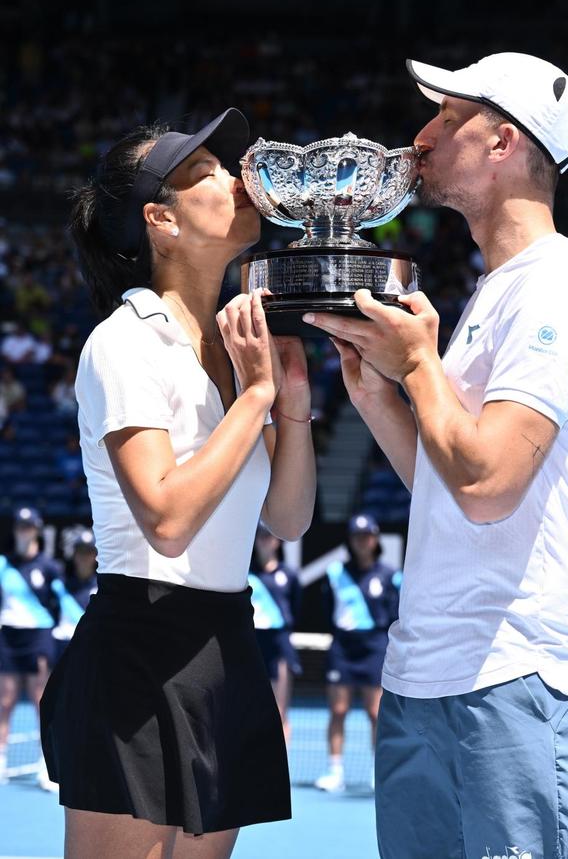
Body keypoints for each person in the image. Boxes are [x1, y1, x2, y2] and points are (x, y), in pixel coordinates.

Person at [304, 53, 568, 858]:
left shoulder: (556, 288)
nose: (422, 135)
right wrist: (379, 393)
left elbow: (486, 482)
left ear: (503, 142)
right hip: (433, 672)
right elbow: (446, 489)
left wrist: (417, 367)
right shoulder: (499, 288)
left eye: (449, 117)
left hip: (523, 673)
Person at [39, 110, 316, 859]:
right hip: (138, 646)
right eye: (209, 173)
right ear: (161, 219)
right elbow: (165, 516)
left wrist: (289, 400)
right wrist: (254, 399)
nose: (238, 179)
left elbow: (288, 517)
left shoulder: (237, 347)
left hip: (226, 639)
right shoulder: (124, 341)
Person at [315, 513, 400, 793]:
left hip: (375, 647)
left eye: (367, 536)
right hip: (343, 647)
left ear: (375, 539)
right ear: (350, 541)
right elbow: (326, 609)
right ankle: (335, 771)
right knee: (338, 710)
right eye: (357, 537)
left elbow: (394, 613)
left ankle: (378, 772)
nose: (362, 542)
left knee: (376, 713)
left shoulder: (389, 576)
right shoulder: (335, 573)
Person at [0, 506, 61, 791]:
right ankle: (0, 759)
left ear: (36, 531)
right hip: (9, 637)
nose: (23, 533)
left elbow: (62, 605)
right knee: (5, 700)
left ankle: (45, 767)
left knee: (41, 701)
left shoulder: (50, 567)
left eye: (28, 528)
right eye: (19, 528)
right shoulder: (3, 565)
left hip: (38, 637)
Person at [248, 521, 302, 743]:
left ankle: (281, 771)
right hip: (252, 644)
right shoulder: (246, 574)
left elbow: (296, 606)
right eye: (261, 536)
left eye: (269, 536)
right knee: (247, 710)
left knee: (280, 712)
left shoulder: (289, 575)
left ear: (278, 541)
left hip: (279, 646)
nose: (265, 541)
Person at [51, 528, 98, 661]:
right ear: (74, 555)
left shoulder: (102, 587)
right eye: (80, 552)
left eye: (88, 552)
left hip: (90, 646)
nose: (84, 557)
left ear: (95, 556)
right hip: (62, 645)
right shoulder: (60, 585)